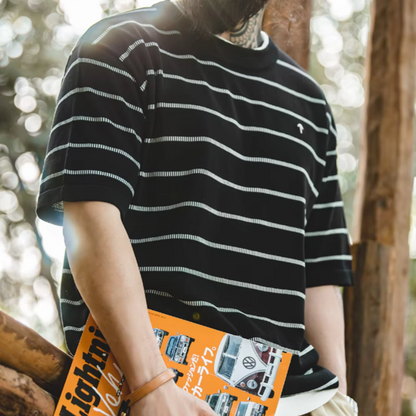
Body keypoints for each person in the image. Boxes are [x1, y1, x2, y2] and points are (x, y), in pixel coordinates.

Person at [35, 0, 358, 415]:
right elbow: (89, 218)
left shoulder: (310, 105)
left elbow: (319, 274)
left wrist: (337, 398)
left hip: (292, 398)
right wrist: (151, 386)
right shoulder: (120, 47)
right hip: (149, 388)